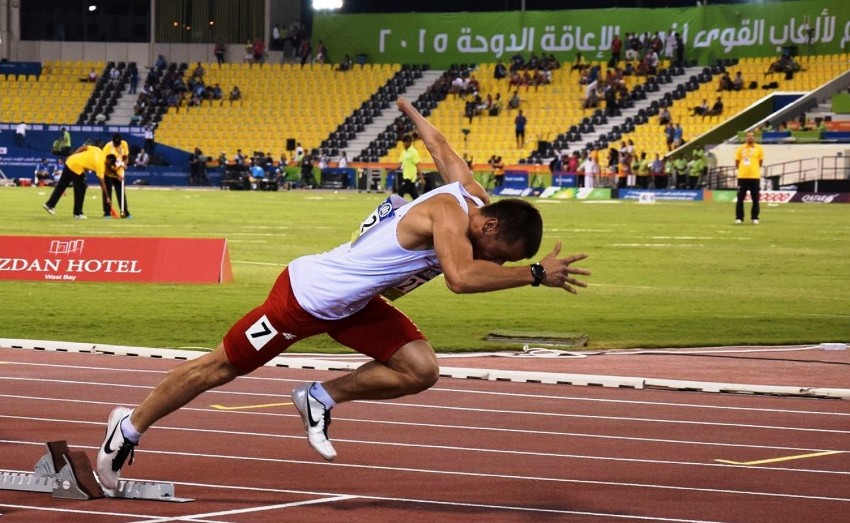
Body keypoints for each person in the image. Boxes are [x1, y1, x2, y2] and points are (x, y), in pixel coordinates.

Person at [94, 96, 591, 489]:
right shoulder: (450, 214)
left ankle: (319, 397)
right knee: (219, 367)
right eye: (500, 253)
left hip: (353, 305)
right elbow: (461, 279)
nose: (496, 264)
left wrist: (411, 110)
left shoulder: (474, 195)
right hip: (305, 299)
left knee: (421, 370)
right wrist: (532, 275)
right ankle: (129, 428)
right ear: (492, 224)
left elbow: (441, 148)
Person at [43, 144, 117, 219]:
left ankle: (50, 204)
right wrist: (107, 197)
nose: (109, 166)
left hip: (70, 161)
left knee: (62, 185)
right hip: (77, 168)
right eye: (111, 164)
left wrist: (73, 155)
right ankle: (77, 213)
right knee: (81, 188)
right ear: (109, 161)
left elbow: (83, 147)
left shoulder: (98, 150)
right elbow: (102, 183)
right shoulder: (101, 165)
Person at [734, 131, 764, 224]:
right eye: (748, 136)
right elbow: (737, 163)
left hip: (754, 177)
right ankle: (739, 218)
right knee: (740, 198)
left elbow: (760, 162)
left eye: (752, 136)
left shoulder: (759, 148)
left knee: (755, 198)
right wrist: (743, 169)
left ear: (754, 137)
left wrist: (753, 169)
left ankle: (755, 217)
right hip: (742, 177)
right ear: (745, 138)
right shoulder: (740, 148)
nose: (750, 137)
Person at [102, 134, 131, 218]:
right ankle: (107, 213)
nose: (117, 144)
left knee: (121, 193)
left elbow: (125, 157)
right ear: (112, 141)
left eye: (118, 143)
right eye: (115, 143)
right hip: (108, 173)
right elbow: (106, 164)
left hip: (119, 173)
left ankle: (125, 212)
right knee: (107, 193)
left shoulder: (124, 144)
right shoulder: (108, 147)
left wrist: (125, 164)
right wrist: (116, 175)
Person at [397, 135, 420, 199]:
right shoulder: (404, 152)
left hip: (410, 177)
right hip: (405, 175)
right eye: (403, 142)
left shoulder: (414, 152)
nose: (403, 144)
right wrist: (392, 170)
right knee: (414, 194)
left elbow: (417, 165)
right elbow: (401, 163)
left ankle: (397, 207)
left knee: (400, 192)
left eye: (405, 142)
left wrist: (421, 177)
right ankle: (420, 205)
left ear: (409, 142)